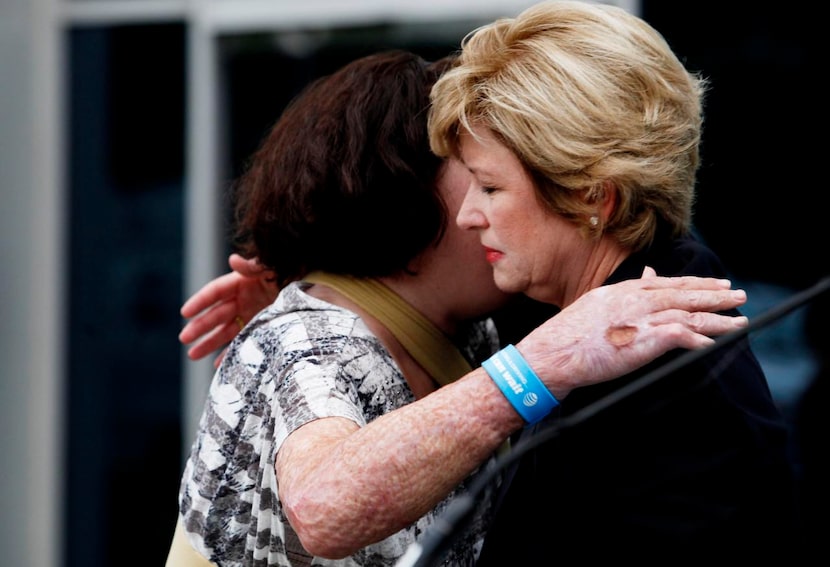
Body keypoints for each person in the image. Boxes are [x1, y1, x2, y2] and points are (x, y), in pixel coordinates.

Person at [168, 49, 751, 566]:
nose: (476, 211)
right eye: (469, 177)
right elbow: (322, 507)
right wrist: (546, 360)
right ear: (399, 198)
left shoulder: (472, 327)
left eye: (489, 182)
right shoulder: (308, 340)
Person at [424, 0, 799, 562]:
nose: (467, 216)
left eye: (490, 187)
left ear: (590, 194)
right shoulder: (608, 318)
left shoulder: (664, 381)